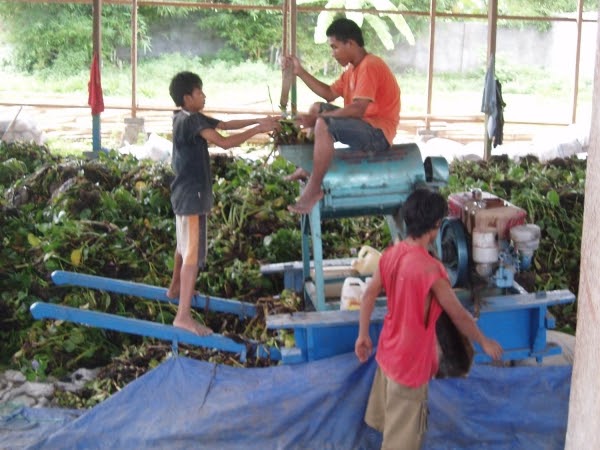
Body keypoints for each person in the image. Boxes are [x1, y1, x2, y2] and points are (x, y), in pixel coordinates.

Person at [354, 188, 503, 450]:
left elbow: (367, 297)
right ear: (436, 227)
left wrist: (363, 335)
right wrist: (483, 340)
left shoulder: (390, 254)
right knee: (402, 442)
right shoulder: (430, 270)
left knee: (392, 429)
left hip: (387, 356)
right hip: (409, 369)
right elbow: (458, 314)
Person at [166, 71, 279, 335]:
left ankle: (174, 289)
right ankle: (182, 316)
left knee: (183, 246)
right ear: (187, 97)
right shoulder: (192, 121)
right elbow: (225, 142)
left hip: (183, 193)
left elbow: (226, 125)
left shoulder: (185, 117)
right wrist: (258, 130)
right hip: (192, 195)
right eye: (200, 92)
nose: (204, 96)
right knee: (192, 253)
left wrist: (259, 120)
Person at [282, 18, 401, 214]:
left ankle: (314, 189)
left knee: (323, 123)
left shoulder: (370, 65)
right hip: (363, 125)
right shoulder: (352, 70)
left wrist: (318, 120)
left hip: (378, 134)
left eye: (335, 47)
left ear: (351, 43)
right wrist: (299, 71)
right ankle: (308, 166)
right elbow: (329, 93)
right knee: (317, 108)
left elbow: (357, 110)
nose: (333, 53)